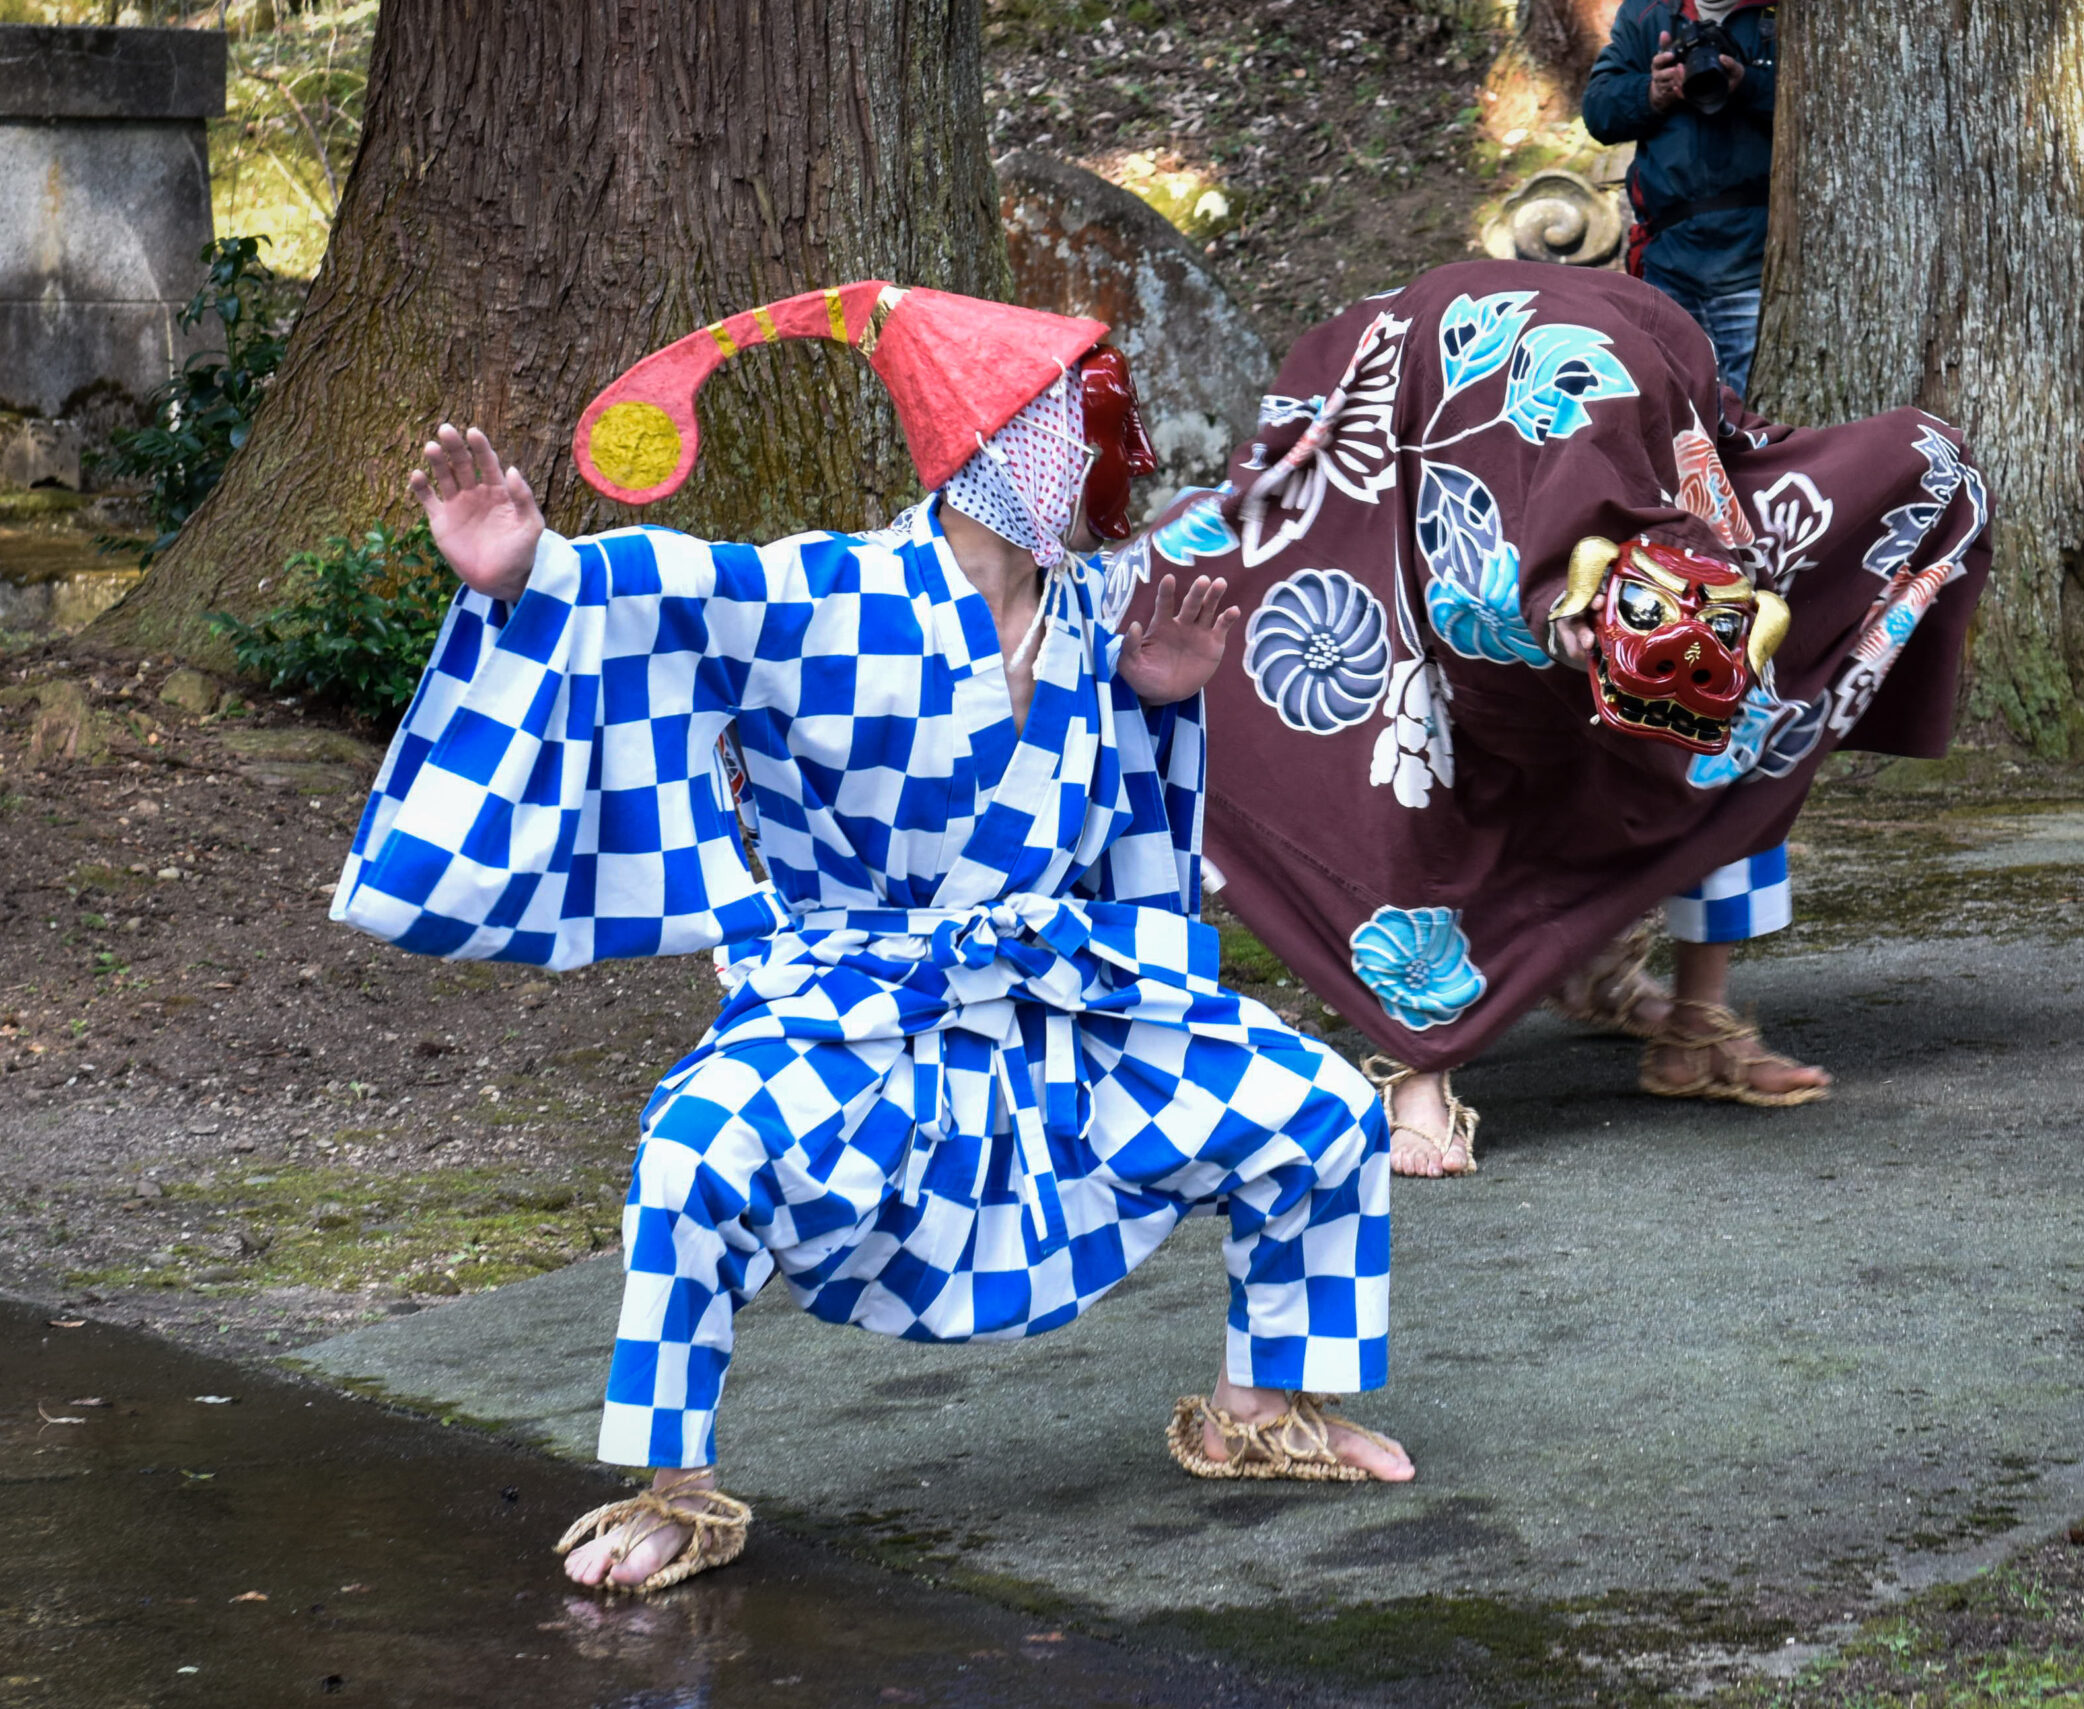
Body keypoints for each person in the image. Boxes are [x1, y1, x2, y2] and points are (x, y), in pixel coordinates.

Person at [334, 282, 1411, 1596]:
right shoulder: (827, 594)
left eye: (1088, 422)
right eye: (1058, 423)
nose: (1084, 450)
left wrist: (1150, 696)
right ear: (977, 441)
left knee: (1327, 1113)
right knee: (695, 1156)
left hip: (1061, 1003)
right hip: (857, 1004)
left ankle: (1262, 1408)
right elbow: (683, 588)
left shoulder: (1088, 603)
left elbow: (1232, 529)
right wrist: (534, 569)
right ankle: (672, 1488)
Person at [1118, 260, 1990, 1176]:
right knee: (1392, 741)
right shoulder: (1396, 390)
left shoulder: (1652, 366)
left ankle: (1694, 1019)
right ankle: (1417, 1060)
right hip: (1427, 552)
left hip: (1644, 566)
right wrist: (1547, 606)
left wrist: (1664, 603)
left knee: (1749, 700)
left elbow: (1720, 453)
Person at [1582, 0, 1778, 396]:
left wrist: (1748, 84)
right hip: (1669, 266)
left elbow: (1823, 110)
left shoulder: (1781, 16)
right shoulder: (1647, 12)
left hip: (1757, 266)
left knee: (1759, 423)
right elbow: (1599, 111)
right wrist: (1653, 92)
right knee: (1677, 420)